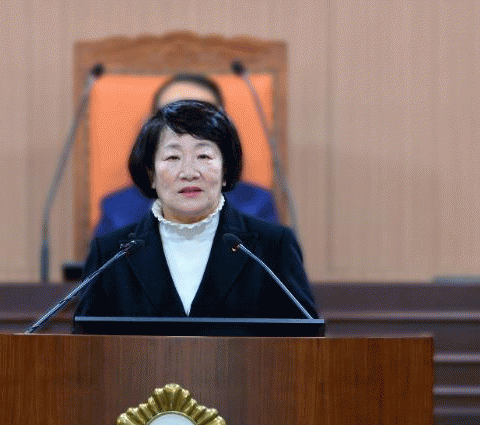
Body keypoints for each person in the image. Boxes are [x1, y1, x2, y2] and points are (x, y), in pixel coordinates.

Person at [73, 100, 318, 331]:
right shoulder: (110, 254)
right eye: (173, 157)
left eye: (204, 156)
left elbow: (305, 343)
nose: (189, 172)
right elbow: (86, 348)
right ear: (151, 174)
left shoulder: (273, 247)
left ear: (225, 170)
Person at [93, 73, 279, 237]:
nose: (186, 131)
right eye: (171, 117)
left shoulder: (255, 207)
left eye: (200, 118)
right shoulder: (118, 212)